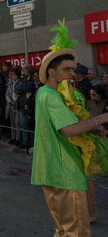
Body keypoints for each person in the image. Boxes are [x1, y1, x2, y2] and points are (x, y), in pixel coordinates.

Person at [31, 20, 108, 237]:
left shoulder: (47, 94)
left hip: (55, 170)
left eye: (72, 69)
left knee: (63, 231)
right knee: (76, 232)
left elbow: (69, 126)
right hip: (64, 170)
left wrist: (91, 129)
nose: (71, 74)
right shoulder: (51, 95)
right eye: (66, 69)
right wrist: (101, 118)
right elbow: (68, 130)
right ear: (52, 72)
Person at [6, 67, 22, 146]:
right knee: (12, 122)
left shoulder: (20, 83)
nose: (11, 76)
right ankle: (13, 137)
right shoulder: (10, 83)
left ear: (17, 75)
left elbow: (20, 94)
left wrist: (16, 101)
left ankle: (18, 138)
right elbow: (7, 94)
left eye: (12, 74)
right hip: (11, 104)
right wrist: (10, 101)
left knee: (17, 123)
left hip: (18, 105)